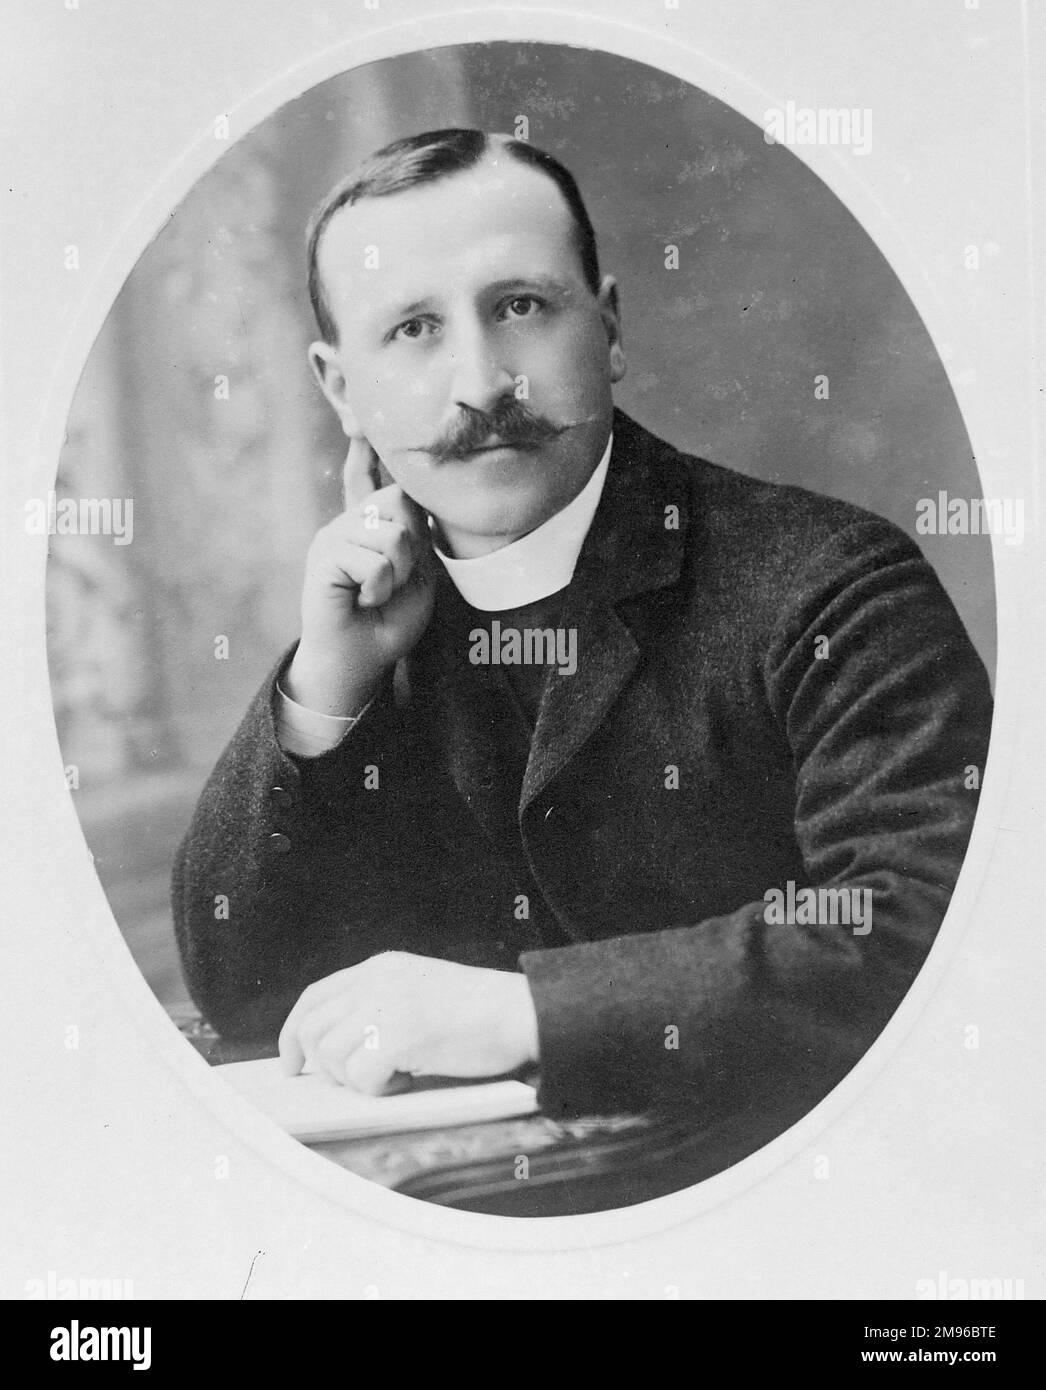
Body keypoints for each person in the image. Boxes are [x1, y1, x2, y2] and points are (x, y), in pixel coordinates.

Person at [172, 128, 992, 1149]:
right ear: (340, 389)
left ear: (606, 327)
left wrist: (518, 1013)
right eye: (414, 329)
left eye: (520, 307)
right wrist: (326, 687)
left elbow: (925, 930)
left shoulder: (827, 584)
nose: (480, 385)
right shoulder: (365, 622)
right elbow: (245, 992)